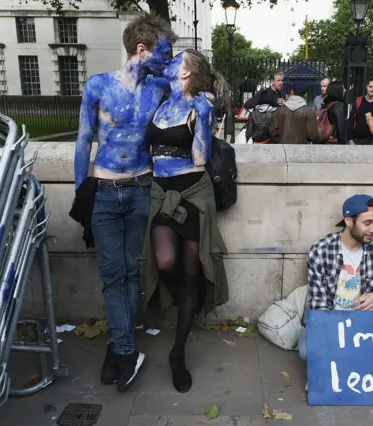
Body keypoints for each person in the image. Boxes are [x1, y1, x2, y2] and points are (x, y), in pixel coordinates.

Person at [71, 13, 177, 393]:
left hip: (140, 190)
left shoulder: (160, 87)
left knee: (130, 271)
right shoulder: (98, 86)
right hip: (103, 191)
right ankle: (126, 349)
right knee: (113, 275)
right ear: (142, 48)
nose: (168, 59)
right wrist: (82, 193)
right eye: (164, 52)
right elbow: (84, 141)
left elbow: (201, 90)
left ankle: (119, 347)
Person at [140, 49, 229, 393]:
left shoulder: (199, 106)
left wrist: (203, 116)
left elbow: (200, 156)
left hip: (193, 192)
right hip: (162, 191)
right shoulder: (163, 104)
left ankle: (178, 352)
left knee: (191, 271)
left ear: (188, 73)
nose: (170, 63)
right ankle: (189, 304)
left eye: (177, 61)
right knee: (164, 261)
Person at [298, 194, 373, 361]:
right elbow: (319, 306)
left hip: (365, 325)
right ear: (349, 221)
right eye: (367, 223)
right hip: (330, 321)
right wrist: (335, 336)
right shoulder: (321, 250)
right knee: (308, 351)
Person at [349, 76, 373, 145]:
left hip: (372, 140)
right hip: (356, 139)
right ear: (366, 86)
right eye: (370, 86)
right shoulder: (358, 100)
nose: (372, 89)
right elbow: (351, 120)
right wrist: (350, 139)